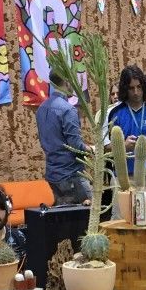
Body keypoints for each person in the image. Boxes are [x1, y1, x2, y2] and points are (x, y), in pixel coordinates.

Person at [106, 65, 146, 218]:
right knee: (123, 225)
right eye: (131, 88)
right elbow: (106, 148)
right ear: (124, 89)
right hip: (125, 179)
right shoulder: (114, 113)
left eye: (139, 87)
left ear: (144, 87)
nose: (136, 92)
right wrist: (122, 146)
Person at [35, 69, 92, 206]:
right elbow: (75, 146)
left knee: (62, 221)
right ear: (67, 81)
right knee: (89, 218)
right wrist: (92, 149)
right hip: (72, 176)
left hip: (53, 176)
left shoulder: (41, 109)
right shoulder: (68, 110)